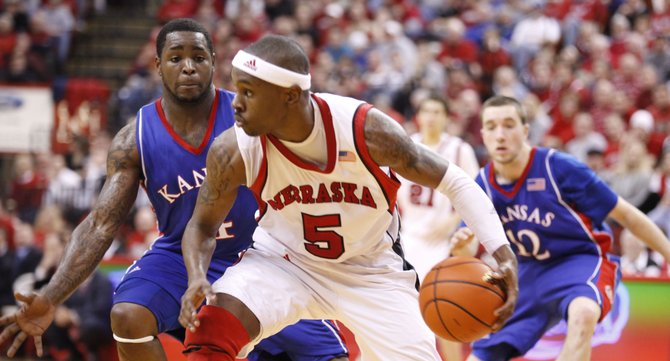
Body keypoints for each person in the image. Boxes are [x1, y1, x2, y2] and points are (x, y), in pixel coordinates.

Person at [0, 18, 349, 361]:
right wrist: (51, 296)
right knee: (128, 315)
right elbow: (100, 224)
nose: (188, 68)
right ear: (157, 65)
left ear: (214, 61)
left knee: (329, 355)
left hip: (260, 254)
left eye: (198, 57)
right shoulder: (133, 139)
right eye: (175, 57)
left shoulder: (250, 116)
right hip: (181, 256)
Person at [178, 34, 519, 361]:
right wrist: (196, 276)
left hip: (371, 270)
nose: (235, 104)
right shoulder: (233, 150)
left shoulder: (364, 130)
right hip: (283, 262)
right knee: (208, 334)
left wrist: (503, 254)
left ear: (290, 96)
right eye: (238, 90)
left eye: (248, 93)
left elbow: (455, 182)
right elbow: (202, 226)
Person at [450, 95, 670, 361]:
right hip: (525, 273)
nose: (500, 135)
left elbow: (628, 216)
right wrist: (462, 248)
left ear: (525, 130)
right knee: (479, 357)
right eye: (492, 127)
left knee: (584, 314)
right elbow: (469, 248)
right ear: (482, 134)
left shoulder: (558, 167)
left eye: (509, 125)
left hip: (579, 261)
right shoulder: (481, 185)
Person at [396, 94, 479, 360]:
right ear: (418, 116)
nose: (431, 117)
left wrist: (453, 221)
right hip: (408, 237)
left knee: (445, 311)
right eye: (426, 111)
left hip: (444, 241)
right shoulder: (404, 144)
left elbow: (475, 193)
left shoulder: (459, 150)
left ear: (445, 117)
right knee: (400, 312)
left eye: (436, 111)